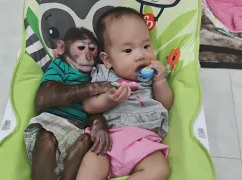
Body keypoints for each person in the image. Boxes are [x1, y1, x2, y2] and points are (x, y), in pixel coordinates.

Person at [76, 7, 173, 180]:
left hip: (143, 143)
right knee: (91, 165)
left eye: (146, 46)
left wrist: (160, 81)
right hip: (107, 140)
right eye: (128, 51)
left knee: (159, 169)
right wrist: (108, 99)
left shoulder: (152, 78)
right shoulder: (103, 76)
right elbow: (88, 106)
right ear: (107, 60)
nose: (140, 56)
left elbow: (166, 104)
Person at [23, 27, 113, 180]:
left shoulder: (96, 74)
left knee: (86, 140)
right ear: (62, 48)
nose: (87, 55)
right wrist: (92, 88)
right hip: (51, 125)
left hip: (77, 131)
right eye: (80, 47)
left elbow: (93, 108)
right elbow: (44, 98)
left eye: (92, 49)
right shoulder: (60, 65)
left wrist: (99, 123)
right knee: (46, 138)